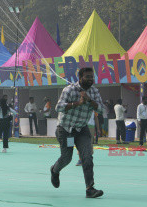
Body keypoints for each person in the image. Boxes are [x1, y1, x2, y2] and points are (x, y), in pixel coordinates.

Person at [50, 67, 104, 198]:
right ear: (80, 78)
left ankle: (90, 188)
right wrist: (77, 103)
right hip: (66, 129)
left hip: (82, 129)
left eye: (92, 77)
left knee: (87, 157)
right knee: (67, 158)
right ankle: (55, 170)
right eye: (88, 77)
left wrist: (90, 101)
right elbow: (58, 107)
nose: (91, 79)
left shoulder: (94, 91)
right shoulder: (69, 90)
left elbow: (102, 109)